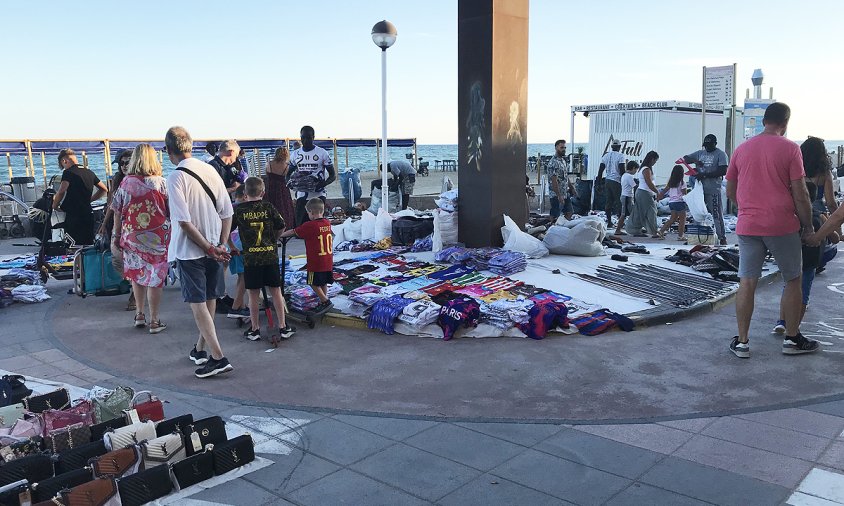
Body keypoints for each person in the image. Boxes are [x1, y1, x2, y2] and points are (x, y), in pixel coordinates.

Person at [725, 102, 817, 359]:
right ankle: (792, 338)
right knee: (793, 279)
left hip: (748, 224)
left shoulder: (741, 150)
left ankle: (742, 342)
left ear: (765, 120)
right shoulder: (790, 149)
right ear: (785, 123)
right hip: (781, 224)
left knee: (747, 281)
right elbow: (800, 193)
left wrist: (747, 209)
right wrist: (808, 224)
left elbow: (730, 191)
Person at [164, 126, 235, 378]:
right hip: (215, 243)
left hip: (191, 249)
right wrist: (221, 244)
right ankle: (200, 348)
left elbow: (183, 221)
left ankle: (218, 356)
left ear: (169, 151)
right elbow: (227, 212)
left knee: (197, 303)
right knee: (210, 298)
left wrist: (208, 246)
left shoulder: (175, 177)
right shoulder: (211, 170)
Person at [111, 144, 170, 334]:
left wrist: (116, 235)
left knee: (137, 274)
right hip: (157, 237)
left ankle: (139, 314)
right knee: (155, 277)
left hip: (131, 235)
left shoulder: (126, 183)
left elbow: (117, 212)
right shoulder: (161, 183)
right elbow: (171, 210)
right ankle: (154, 320)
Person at [231, 177, 296, 341]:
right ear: (263, 192)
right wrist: (274, 238)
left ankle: (255, 328)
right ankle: (283, 325)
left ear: (245, 193)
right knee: (276, 291)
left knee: (253, 294)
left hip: (251, 258)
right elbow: (281, 225)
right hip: (269, 254)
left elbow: (224, 230)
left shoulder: (239, 210)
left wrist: (231, 245)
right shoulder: (268, 207)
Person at [772, 181, 832, 333]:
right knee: (803, 294)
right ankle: (795, 327)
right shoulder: (820, 215)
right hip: (810, 263)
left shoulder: (790, 216)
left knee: (788, 289)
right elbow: (836, 237)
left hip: (790, 260)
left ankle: (782, 321)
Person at [281, 198, 333, 311]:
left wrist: (280, 235)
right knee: (323, 281)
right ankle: (323, 299)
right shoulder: (327, 223)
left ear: (312, 212)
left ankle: (325, 301)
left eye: (308, 212)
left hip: (315, 262)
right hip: (327, 260)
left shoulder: (310, 225)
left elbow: (294, 231)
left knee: (312, 282)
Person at [99, 149, 135, 311]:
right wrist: (104, 224)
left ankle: (135, 293)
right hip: (117, 225)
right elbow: (111, 206)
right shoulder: (117, 180)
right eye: (121, 163)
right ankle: (136, 285)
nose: (123, 166)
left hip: (134, 227)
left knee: (132, 261)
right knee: (117, 261)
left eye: (127, 162)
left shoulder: (142, 181)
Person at [52, 148, 109, 245]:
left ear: (64, 161)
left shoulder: (68, 172)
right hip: (88, 212)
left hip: (74, 214)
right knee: (87, 243)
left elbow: (61, 190)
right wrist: (89, 200)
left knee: (73, 243)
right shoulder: (89, 172)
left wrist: (55, 205)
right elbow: (104, 189)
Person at [684, 134, 729, 245]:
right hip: (700, 190)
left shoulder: (720, 154)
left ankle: (721, 237)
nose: (707, 148)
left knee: (716, 214)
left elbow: (723, 170)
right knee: (697, 213)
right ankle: (696, 238)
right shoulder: (700, 153)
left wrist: (704, 175)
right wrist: (696, 161)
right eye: (706, 146)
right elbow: (685, 159)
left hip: (713, 189)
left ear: (715, 144)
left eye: (709, 145)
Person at [288, 126, 335, 226]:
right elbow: (287, 174)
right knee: (300, 227)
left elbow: (333, 175)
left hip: (318, 194)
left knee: (318, 227)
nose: (305, 140)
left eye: (308, 138)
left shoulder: (322, 153)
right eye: (303, 138)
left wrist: (324, 183)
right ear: (300, 138)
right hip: (302, 196)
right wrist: (290, 184)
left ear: (313, 137)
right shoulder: (295, 154)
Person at [225, 186, 249, 320]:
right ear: (246, 195)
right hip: (241, 246)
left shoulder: (231, 208)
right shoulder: (244, 209)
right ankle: (235, 307)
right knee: (245, 277)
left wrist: (230, 245)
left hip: (233, 246)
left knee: (241, 277)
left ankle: (242, 306)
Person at [626, 151, 660, 237]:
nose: (655, 162)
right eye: (655, 160)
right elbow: (649, 183)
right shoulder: (646, 169)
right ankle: (653, 231)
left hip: (643, 192)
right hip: (645, 192)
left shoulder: (645, 168)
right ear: (652, 159)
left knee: (639, 212)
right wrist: (657, 191)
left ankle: (634, 229)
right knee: (651, 211)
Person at [264, 147, 296, 228]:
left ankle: (270, 225)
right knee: (283, 207)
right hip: (282, 189)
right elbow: (289, 178)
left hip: (270, 187)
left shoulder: (269, 164)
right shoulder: (286, 166)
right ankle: (284, 225)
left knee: (270, 206)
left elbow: (267, 175)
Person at [597, 139, 625, 227]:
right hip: (616, 181)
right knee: (619, 202)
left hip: (607, 180)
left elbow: (600, 170)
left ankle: (609, 222)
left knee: (608, 202)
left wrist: (598, 183)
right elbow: (622, 170)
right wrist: (625, 181)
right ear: (620, 147)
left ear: (612, 146)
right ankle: (621, 222)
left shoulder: (606, 156)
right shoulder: (621, 156)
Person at [546, 140, 576, 221]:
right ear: (556, 148)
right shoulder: (553, 162)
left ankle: (563, 228)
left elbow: (565, 176)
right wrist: (559, 195)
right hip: (556, 195)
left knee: (569, 212)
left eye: (565, 147)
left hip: (565, 193)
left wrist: (571, 187)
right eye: (562, 147)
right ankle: (552, 229)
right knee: (555, 215)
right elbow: (553, 180)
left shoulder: (563, 161)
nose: (564, 149)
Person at [657, 165, 688, 240]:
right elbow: (684, 193)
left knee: (672, 219)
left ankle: (661, 231)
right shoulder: (682, 182)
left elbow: (664, 190)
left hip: (671, 202)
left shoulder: (671, 182)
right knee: (682, 219)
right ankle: (681, 236)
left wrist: (659, 197)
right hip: (679, 202)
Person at [614, 161, 638, 235]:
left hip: (625, 196)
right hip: (627, 197)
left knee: (627, 214)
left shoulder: (624, 175)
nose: (635, 172)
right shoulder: (629, 176)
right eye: (636, 170)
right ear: (633, 168)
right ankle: (619, 230)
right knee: (626, 214)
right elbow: (634, 186)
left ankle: (631, 228)